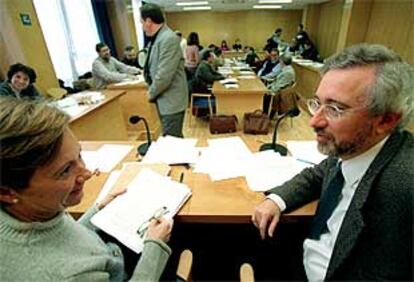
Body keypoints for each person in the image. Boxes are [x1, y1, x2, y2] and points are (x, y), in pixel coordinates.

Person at [252, 44, 413, 280]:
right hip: (303, 259)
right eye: (317, 103)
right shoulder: (352, 149)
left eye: (336, 109)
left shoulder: (405, 186)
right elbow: (320, 173)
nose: (314, 121)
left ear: (386, 120)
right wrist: (276, 199)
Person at [0, 97, 174, 281]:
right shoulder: (67, 275)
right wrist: (155, 247)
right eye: (65, 170)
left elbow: (58, 240)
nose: (88, 173)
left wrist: (97, 210)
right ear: (6, 192)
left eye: (79, 155)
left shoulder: (31, 210)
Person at [141, 3, 188, 138]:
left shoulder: (168, 39)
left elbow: (163, 76)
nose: (142, 26)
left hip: (171, 100)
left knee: (172, 140)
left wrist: (150, 93)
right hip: (165, 99)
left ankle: (181, 159)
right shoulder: (158, 38)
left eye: (142, 22)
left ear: (149, 21)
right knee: (173, 139)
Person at [262, 53, 296, 118]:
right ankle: (266, 114)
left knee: (265, 94)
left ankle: (266, 115)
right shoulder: (286, 69)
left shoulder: (287, 72)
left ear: (282, 61)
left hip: (281, 92)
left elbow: (279, 86)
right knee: (265, 92)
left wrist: (268, 89)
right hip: (280, 89)